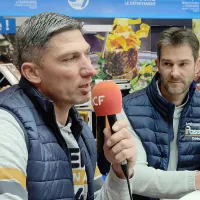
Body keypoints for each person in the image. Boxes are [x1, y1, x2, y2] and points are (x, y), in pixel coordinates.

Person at [0, 12, 136, 200]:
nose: (90, 69)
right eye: (70, 58)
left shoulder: (79, 129)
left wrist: (119, 173)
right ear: (32, 72)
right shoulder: (6, 125)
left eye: (87, 54)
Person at [117, 27, 200, 200]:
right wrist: (196, 180)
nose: (175, 73)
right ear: (158, 65)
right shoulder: (128, 109)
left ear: (197, 65)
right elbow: (134, 176)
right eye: (168, 64)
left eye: (183, 64)